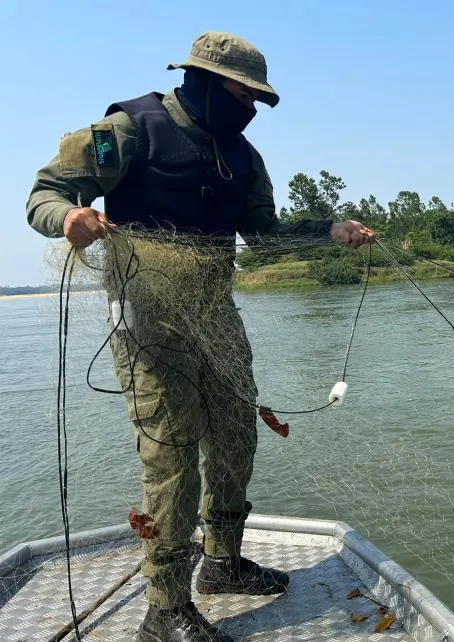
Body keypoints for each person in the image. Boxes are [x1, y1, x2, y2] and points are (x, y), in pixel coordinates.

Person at [25, 31, 374, 642]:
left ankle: (222, 561)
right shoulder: (127, 129)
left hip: (216, 315)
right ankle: (164, 607)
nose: (252, 108)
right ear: (207, 81)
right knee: (173, 455)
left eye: (259, 100)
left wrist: (329, 231)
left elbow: (264, 233)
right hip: (147, 323)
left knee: (238, 437)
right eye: (245, 93)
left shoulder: (243, 157)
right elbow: (45, 194)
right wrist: (71, 217)